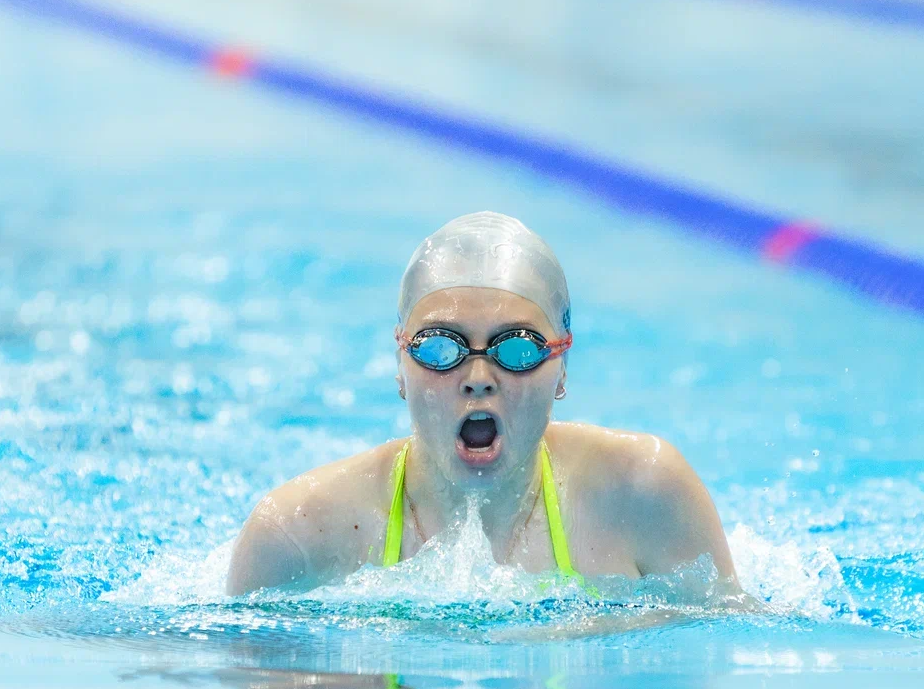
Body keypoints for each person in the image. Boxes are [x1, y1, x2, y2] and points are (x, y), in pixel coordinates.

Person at [226, 212, 736, 595]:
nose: (476, 378)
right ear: (400, 365)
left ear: (562, 366)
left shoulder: (646, 494)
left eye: (516, 348)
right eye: (440, 347)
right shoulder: (295, 535)